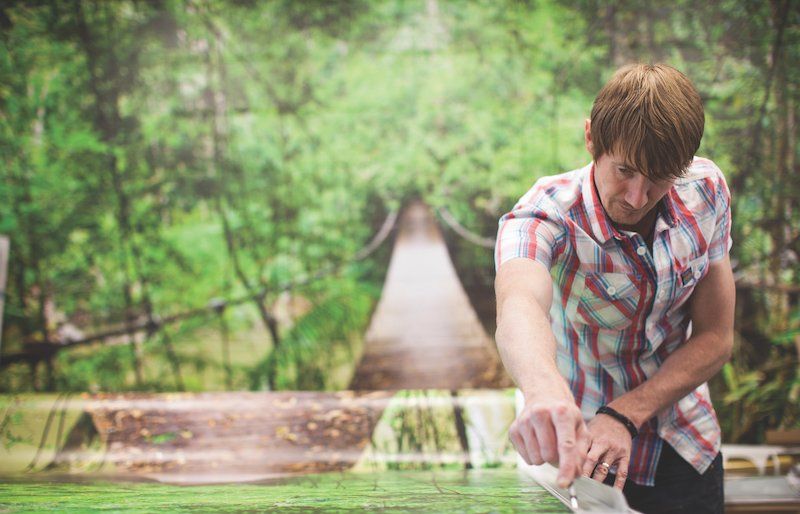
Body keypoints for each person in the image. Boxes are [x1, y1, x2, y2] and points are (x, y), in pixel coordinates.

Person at [494, 63, 734, 513]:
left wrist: (626, 413)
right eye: (624, 170)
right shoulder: (544, 215)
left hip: (684, 441)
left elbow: (716, 338)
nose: (638, 196)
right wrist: (544, 392)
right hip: (581, 457)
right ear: (591, 140)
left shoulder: (708, 191)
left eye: (660, 177)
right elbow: (518, 303)